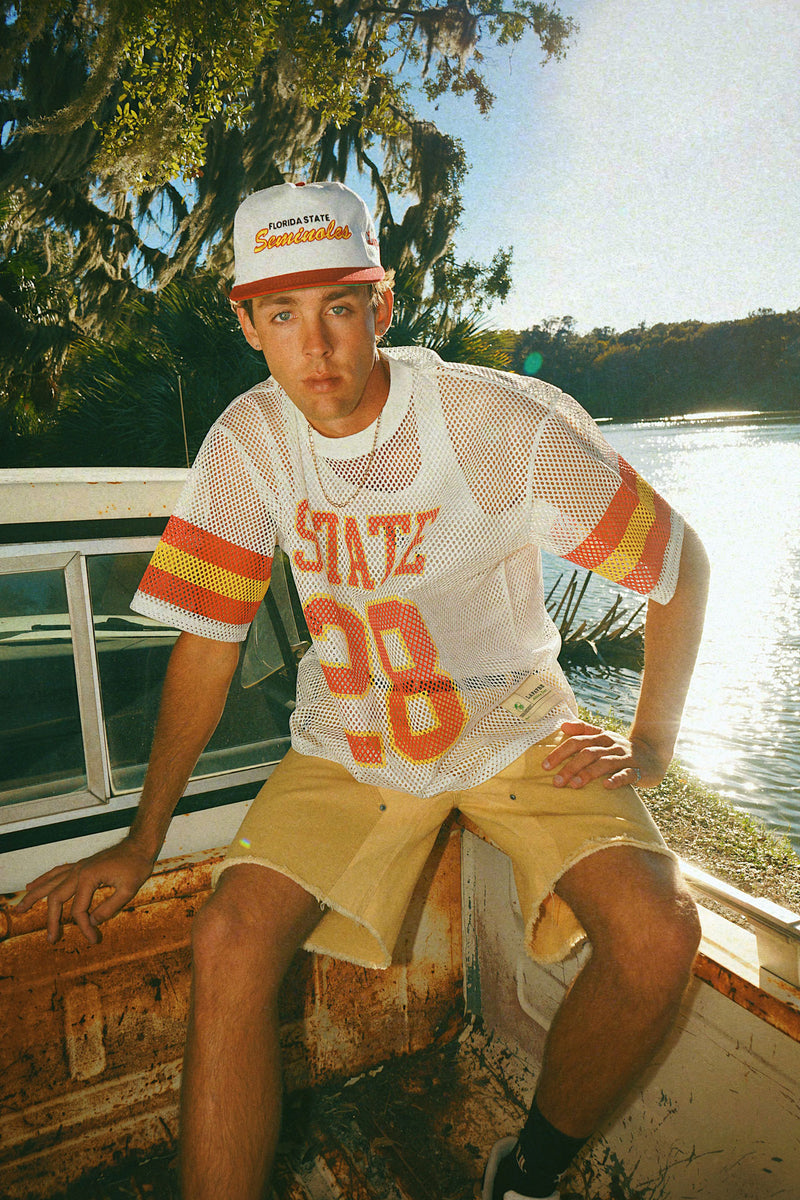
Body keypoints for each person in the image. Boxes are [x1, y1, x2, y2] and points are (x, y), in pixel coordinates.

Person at [17, 180, 710, 1200]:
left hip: (508, 724)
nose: (319, 349)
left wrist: (649, 742)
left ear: (381, 306)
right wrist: (141, 837)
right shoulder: (249, 441)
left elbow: (677, 562)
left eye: (339, 307)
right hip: (351, 734)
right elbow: (206, 650)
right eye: (284, 315)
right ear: (246, 323)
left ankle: (525, 1174)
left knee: (658, 935)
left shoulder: (492, 424)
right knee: (227, 936)